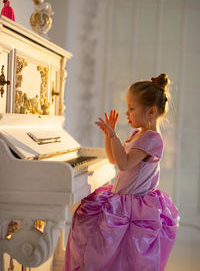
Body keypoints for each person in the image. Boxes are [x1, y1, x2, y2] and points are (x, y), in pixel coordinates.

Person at [63, 73, 179, 271]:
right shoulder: (137, 134)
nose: (127, 113)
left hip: (134, 204)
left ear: (151, 112)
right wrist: (110, 137)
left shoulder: (152, 139)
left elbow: (124, 164)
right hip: (121, 198)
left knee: (127, 252)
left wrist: (114, 135)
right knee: (99, 238)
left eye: (132, 108)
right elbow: (113, 159)